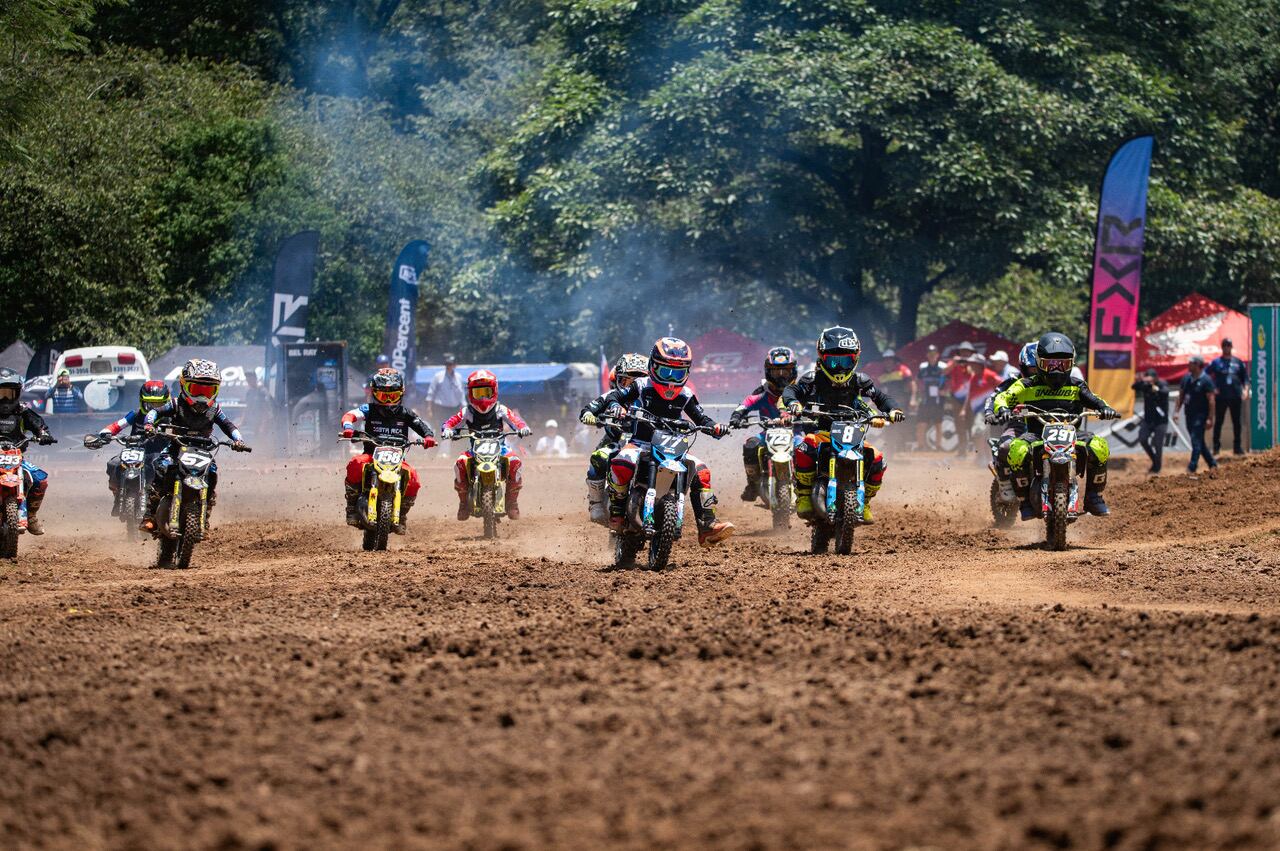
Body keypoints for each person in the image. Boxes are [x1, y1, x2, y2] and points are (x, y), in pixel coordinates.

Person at [591, 337, 735, 546]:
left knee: (702, 471)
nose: (670, 379)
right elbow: (614, 396)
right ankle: (617, 513)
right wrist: (616, 407)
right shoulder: (640, 386)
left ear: (686, 373)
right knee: (621, 462)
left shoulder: (685, 394)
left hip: (673, 445)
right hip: (640, 443)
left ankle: (707, 525)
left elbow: (700, 418)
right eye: (665, 372)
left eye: (677, 373)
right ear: (653, 366)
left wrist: (715, 427)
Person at [782, 327, 905, 524]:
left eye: (845, 361)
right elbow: (791, 390)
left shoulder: (861, 381)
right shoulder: (812, 379)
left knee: (878, 460)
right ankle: (804, 495)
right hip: (821, 433)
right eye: (833, 361)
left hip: (852, 435)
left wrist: (893, 411)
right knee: (804, 447)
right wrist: (794, 404)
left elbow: (881, 398)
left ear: (855, 359)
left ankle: (864, 503)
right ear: (822, 358)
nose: (839, 367)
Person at [990, 332, 1120, 519]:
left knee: (1099, 446)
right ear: (1039, 363)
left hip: (1072, 434)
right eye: (1050, 364)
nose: (1056, 370)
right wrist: (1002, 408)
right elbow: (1003, 397)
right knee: (1017, 450)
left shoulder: (1077, 385)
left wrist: (1105, 408)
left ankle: (1094, 497)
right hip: (1036, 436)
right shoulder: (1026, 385)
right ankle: (1024, 500)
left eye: (1063, 364)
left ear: (1071, 364)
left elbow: (1095, 399)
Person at [141, 359, 249, 531]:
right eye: (197, 390)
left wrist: (238, 440)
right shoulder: (177, 404)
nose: (202, 396)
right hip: (176, 447)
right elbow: (155, 411)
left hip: (202, 450)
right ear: (184, 385)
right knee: (160, 468)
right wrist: (149, 424)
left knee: (212, 474)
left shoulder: (215, 410)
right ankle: (149, 515)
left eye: (208, 391)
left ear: (216, 390)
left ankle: (204, 516)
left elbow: (228, 425)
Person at [339, 369, 436, 532]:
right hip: (371, 456)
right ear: (375, 393)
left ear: (401, 394)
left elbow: (420, 424)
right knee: (355, 463)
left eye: (393, 395)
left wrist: (428, 436)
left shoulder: (405, 413)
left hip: (397, 460)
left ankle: (402, 514)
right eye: (384, 396)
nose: (389, 400)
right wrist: (348, 427)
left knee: (413, 478)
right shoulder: (368, 409)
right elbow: (350, 415)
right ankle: (351, 507)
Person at [441, 369, 532, 520]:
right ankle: (463, 503)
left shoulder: (500, 409)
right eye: (478, 393)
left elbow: (516, 420)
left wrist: (523, 428)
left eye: (486, 392)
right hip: (475, 449)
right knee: (459, 464)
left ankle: (512, 503)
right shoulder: (467, 411)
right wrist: (447, 430)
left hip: (500, 448)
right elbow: (450, 422)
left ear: (494, 391)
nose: (482, 397)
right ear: (471, 394)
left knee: (515, 462)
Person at [579, 353, 648, 525]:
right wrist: (590, 416)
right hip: (616, 441)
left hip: (645, 443)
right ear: (618, 380)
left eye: (638, 381)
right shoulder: (612, 395)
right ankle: (596, 504)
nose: (632, 386)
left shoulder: (651, 397)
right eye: (627, 381)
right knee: (599, 457)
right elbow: (588, 409)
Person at [85, 380, 171, 513]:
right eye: (149, 404)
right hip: (135, 450)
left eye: (158, 404)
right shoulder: (136, 414)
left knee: (164, 469)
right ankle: (118, 494)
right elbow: (117, 425)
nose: (153, 409)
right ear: (142, 402)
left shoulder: (170, 417)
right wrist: (104, 434)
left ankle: (164, 502)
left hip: (159, 453)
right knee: (114, 463)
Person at [728, 346, 798, 501]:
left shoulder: (800, 390)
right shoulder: (763, 392)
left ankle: (811, 486)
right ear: (768, 372)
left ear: (793, 371)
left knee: (807, 448)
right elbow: (746, 404)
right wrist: (737, 416)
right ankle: (752, 484)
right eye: (776, 372)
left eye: (785, 371)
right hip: (768, 433)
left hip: (796, 433)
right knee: (750, 445)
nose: (781, 377)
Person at [0, 368, 56, 533]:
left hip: (15, 457)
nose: (4, 399)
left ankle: (30, 516)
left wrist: (44, 434)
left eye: (8, 394)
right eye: (1, 393)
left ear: (17, 393)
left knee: (40, 481)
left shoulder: (22, 411)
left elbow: (38, 424)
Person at [1176, 355, 1218, 477]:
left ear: (1198, 365)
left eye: (1192, 363)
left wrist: (1210, 418)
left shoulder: (1206, 380)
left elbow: (1211, 400)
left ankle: (1192, 466)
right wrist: (1176, 412)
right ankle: (1212, 464)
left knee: (1195, 440)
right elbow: (1181, 396)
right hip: (1189, 415)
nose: (1189, 365)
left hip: (1201, 416)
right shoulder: (1186, 379)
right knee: (1199, 442)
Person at [1207, 338, 1247, 456]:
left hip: (1235, 396)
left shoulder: (1238, 362)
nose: (1226, 348)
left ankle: (1237, 447)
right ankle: (1216, 447)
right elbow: (1205, 375)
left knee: (1237, 422)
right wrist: (1212, 388)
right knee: (1219, 421)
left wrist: (1245, 390)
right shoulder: (1216, 362)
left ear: (1231, 347)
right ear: (1222, 347)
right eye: (1224, 346)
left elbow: (1245, 378)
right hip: (1221, 397)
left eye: (1228, 346)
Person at [1131, 368, 1170, 474]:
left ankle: (1157, 467)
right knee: (1142, 439)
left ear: (1155, 378)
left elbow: (1165, 392)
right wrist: (1141, 381)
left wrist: (1154, 388)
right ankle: (1155, 461)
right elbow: (1134, 387)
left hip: (1161, 421)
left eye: (1150, 379)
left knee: (1158, 444)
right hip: (1148, 420)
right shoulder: (1145, 385)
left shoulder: (1161, 384)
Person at [914, 344, 946, 450]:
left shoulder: (943, 367)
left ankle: (939, 446)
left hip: (938, 399)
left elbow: (949, 381)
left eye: (934, 354)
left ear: (937, 354)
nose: (932, 356)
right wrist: (920, 390)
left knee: (938, 423)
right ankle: (920, 446)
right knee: (921, 423)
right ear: (927, 355)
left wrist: (945, 391)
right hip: (925, 399)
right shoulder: (923, 367)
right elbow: (917, 380)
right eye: (930, 354)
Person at [426, 353, 465, 426]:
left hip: (454, 409)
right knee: (440, 428)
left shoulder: (458, 377)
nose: (448, 366)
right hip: (441, 408)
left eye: (450, 364)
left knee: (454, 429)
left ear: (455, 365)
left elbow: (461, 394)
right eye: (447, 364)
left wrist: (463, 408)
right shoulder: (438, 376)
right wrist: (429, 408)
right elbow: (431, 393)